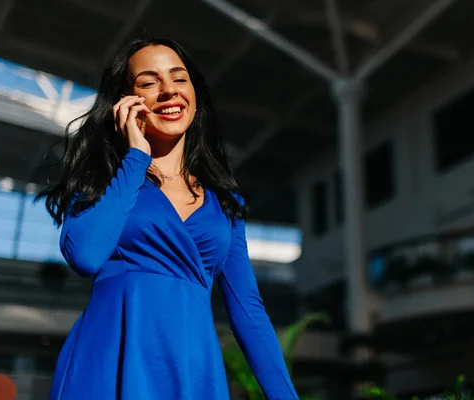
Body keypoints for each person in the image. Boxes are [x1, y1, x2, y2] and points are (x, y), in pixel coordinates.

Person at [38, 34, 299, 399]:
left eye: (179, 78)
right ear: (125, 101)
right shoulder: (103, 183)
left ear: (195, 94)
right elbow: (85, 255)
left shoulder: (225, 202)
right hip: (111, 361)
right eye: (149, 82)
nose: (168, 91)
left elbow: (249, 314)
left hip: (192, 369)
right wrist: (135, 159)